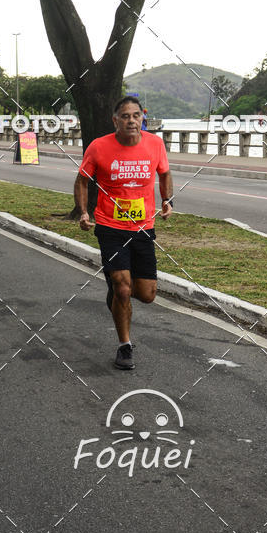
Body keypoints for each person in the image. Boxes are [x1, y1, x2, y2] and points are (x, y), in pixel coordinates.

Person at [74, 96, 174, 370]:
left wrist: (168, 200)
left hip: (143, 228)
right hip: (110, 227)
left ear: (143, 118)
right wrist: (84, 211)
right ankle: (124, 346)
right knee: (122, 286)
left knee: (147, 294)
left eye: (136, 115)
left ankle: (116, 292)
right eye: (126, 116)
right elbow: (82, 180)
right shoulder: (99, 146)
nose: (132, 120)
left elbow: (164, 174)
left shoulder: (155, 144)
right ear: (115, 120)